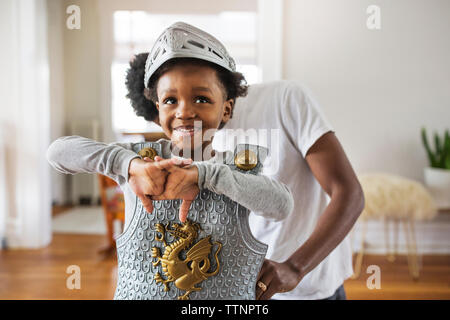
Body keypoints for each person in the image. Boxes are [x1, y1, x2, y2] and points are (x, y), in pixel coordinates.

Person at [46, 22, 295, 299]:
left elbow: (282, 206)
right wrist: (126, 164)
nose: (184, 111)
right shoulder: (140, 164)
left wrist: (205, 175)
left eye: (201, 98)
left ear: (227, 108)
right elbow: (57, 153)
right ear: (157, 107)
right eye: (170, 100)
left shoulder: (236, 171)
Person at [125, 24, 365, 300]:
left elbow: (349, 193)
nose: (183, 116)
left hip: (308, 286)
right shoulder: (188, 146)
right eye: (169, 104)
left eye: (194, 98)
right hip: (244, 291)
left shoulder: (284, 100)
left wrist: (295, 268)